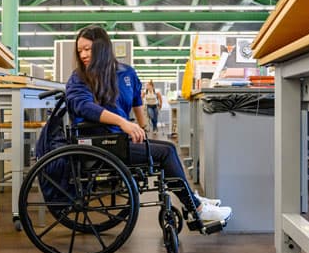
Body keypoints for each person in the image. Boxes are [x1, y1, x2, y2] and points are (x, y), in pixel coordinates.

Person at [65, 25, 231, 223]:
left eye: (88, 49)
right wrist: (123, 122)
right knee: (166, 153)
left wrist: (141, 129)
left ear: (102, 48)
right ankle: (197, 208)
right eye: (79, 50)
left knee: (168, 147)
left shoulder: (125, 73)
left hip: (117, 139)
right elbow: (84, 107)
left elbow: (136, 102)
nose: (82, 54)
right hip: (99, 144)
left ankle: (192, 199)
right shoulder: (79, 78)